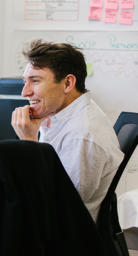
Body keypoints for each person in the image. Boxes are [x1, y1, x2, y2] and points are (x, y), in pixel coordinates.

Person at [11, 39, 124, 223]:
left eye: (35, 81)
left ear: (67, 83)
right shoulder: (60, 114)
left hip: (64, 241)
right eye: (25, 81)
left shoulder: (81, 135)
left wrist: (29, 143)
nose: (25, 92)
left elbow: (58, 208)